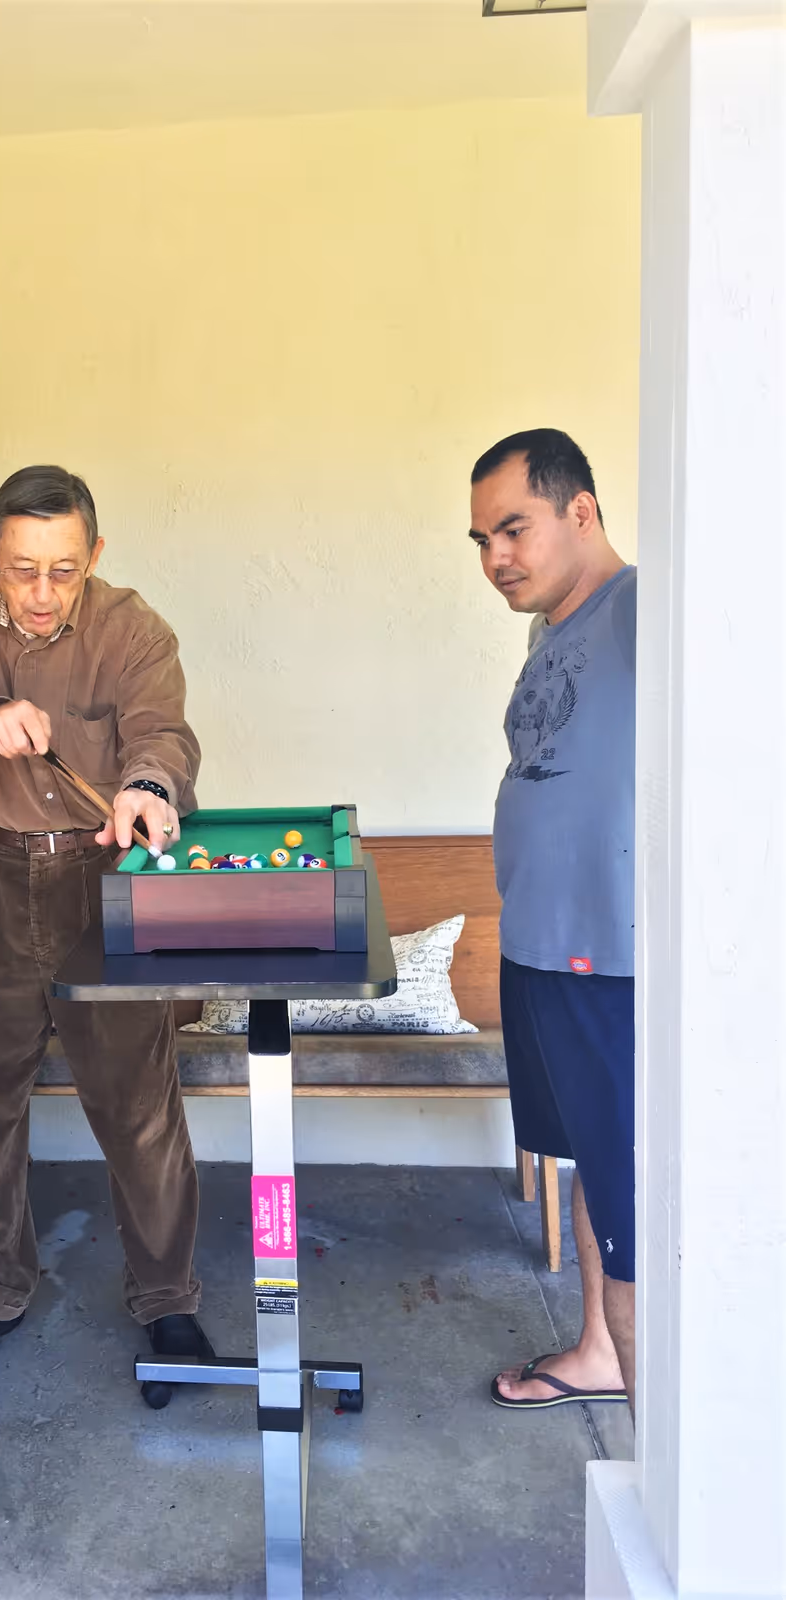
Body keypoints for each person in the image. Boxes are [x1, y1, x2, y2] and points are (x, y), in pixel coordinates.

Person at [0, 463, 212, 1394]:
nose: (41, 595)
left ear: (95, 556)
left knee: (138, 1107)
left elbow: (166, 736)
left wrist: (150, 786)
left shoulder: (132, 627)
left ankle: (169, 1299)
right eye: (21, 569)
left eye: (64, 571)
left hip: (100, 879)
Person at [469, 428, 637, 1416]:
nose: (496, 557)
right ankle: (599, 1351)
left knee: (626, 1191)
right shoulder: (552, 632)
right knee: (580, 1158)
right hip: (539, 946)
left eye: (514, 528)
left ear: (582, 511)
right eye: (482, 538)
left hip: (609, 960)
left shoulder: (646, 611)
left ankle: (663, 1472)